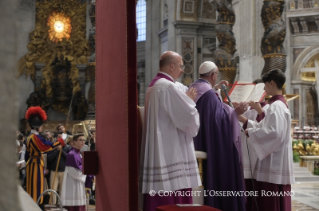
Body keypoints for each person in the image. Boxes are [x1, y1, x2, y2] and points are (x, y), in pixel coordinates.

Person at [139, 51, 201, 211]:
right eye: (180, 66)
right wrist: (188, 101)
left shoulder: (155, 85)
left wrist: (185, 100)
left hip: (162, 144)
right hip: (170, 148)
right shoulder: (166, 86)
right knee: (172, 193)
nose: (182, 70)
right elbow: (187, 118)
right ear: (171, 65)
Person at [189, 61, 247, 211]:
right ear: (214, 75)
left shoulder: (193, 88)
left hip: (196, 142)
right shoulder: (209, 95)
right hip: (211, 146)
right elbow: (219, 122)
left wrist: (215, 89)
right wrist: (236, 113)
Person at [241, 69, 294, 211]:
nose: (264, 88)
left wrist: (251, 132)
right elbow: (265, 127)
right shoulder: (280, 105)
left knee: (270, 203)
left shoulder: (276, 106)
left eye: (265, 85)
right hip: (276, 161)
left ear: (272, 83)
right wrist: (251, 127)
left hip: (273, 164)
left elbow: (274, 133)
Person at [236, 79, 270, 211]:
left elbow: (265, 130)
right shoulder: (247, 108)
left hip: (257, 153)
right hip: (244, 149)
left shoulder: (267, 108)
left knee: (254, 187)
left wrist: (249, 118)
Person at [25, 106, 65, 203]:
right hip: (35, 164)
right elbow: (45, 147)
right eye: (41, 125)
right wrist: (59, 142)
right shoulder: (34, 137)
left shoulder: (32, 136)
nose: (42, 127)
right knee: (36, 187)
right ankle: (36, 204)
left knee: (37, 186)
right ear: (36, 126)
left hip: (35, 163)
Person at [61, 134, 88, 211]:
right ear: (74, 142)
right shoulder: (72, 154)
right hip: (72, 183)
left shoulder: (78, 154)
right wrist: (86, 175)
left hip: (78, 182)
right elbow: (72, 171)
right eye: (80, 140)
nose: (83, 142)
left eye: (83, 140)